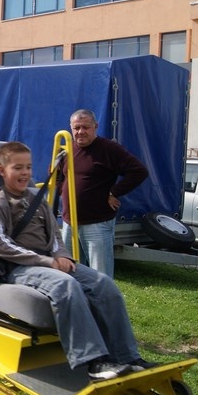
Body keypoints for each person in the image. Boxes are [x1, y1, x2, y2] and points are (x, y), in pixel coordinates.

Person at [0, 141, 154, 381]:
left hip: (49, 262)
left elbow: (53, 235)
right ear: (2, 170)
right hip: (18, 269)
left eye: (29, 167)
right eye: (18, 168)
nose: (25, 173)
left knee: (104, 284)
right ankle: (94, 362)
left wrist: (61, 254)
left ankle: (127, 357)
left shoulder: (36, 199)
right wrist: (46, 261)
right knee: (65, 285)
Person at [59, 109, 148, 278]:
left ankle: (103, 304)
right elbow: (59, 175)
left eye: (86, 127)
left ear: (95, 126)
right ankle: (78, 304)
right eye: (76, 128)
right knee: (69, 273)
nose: (80, 132)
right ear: (71, 128)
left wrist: (114, 192)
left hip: (96, 224)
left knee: (100, 276)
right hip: (69, 223)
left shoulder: (109, 149)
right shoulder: (67, 148)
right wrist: (60, 193)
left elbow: (139, 171)